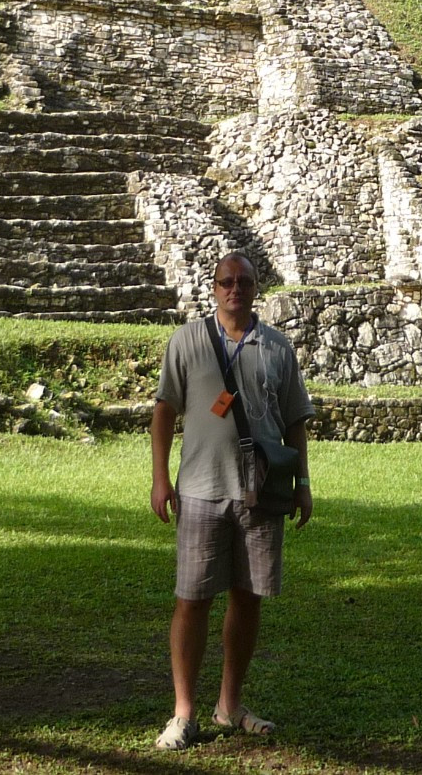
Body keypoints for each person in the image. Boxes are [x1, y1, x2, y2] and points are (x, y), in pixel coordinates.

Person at [150, 253, 314, 750]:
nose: (234, 289)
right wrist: (161, 479)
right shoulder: (187, 341)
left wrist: (302, 483)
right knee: (191, 599)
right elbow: (163, 413)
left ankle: (230, 704)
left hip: (262, 492)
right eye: (226, 282)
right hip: (200, 488)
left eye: (243, 281)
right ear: (214, 287)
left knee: (247, 596)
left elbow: (294, 423)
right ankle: (183, 712)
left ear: (256, 287)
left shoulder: (277, 348)